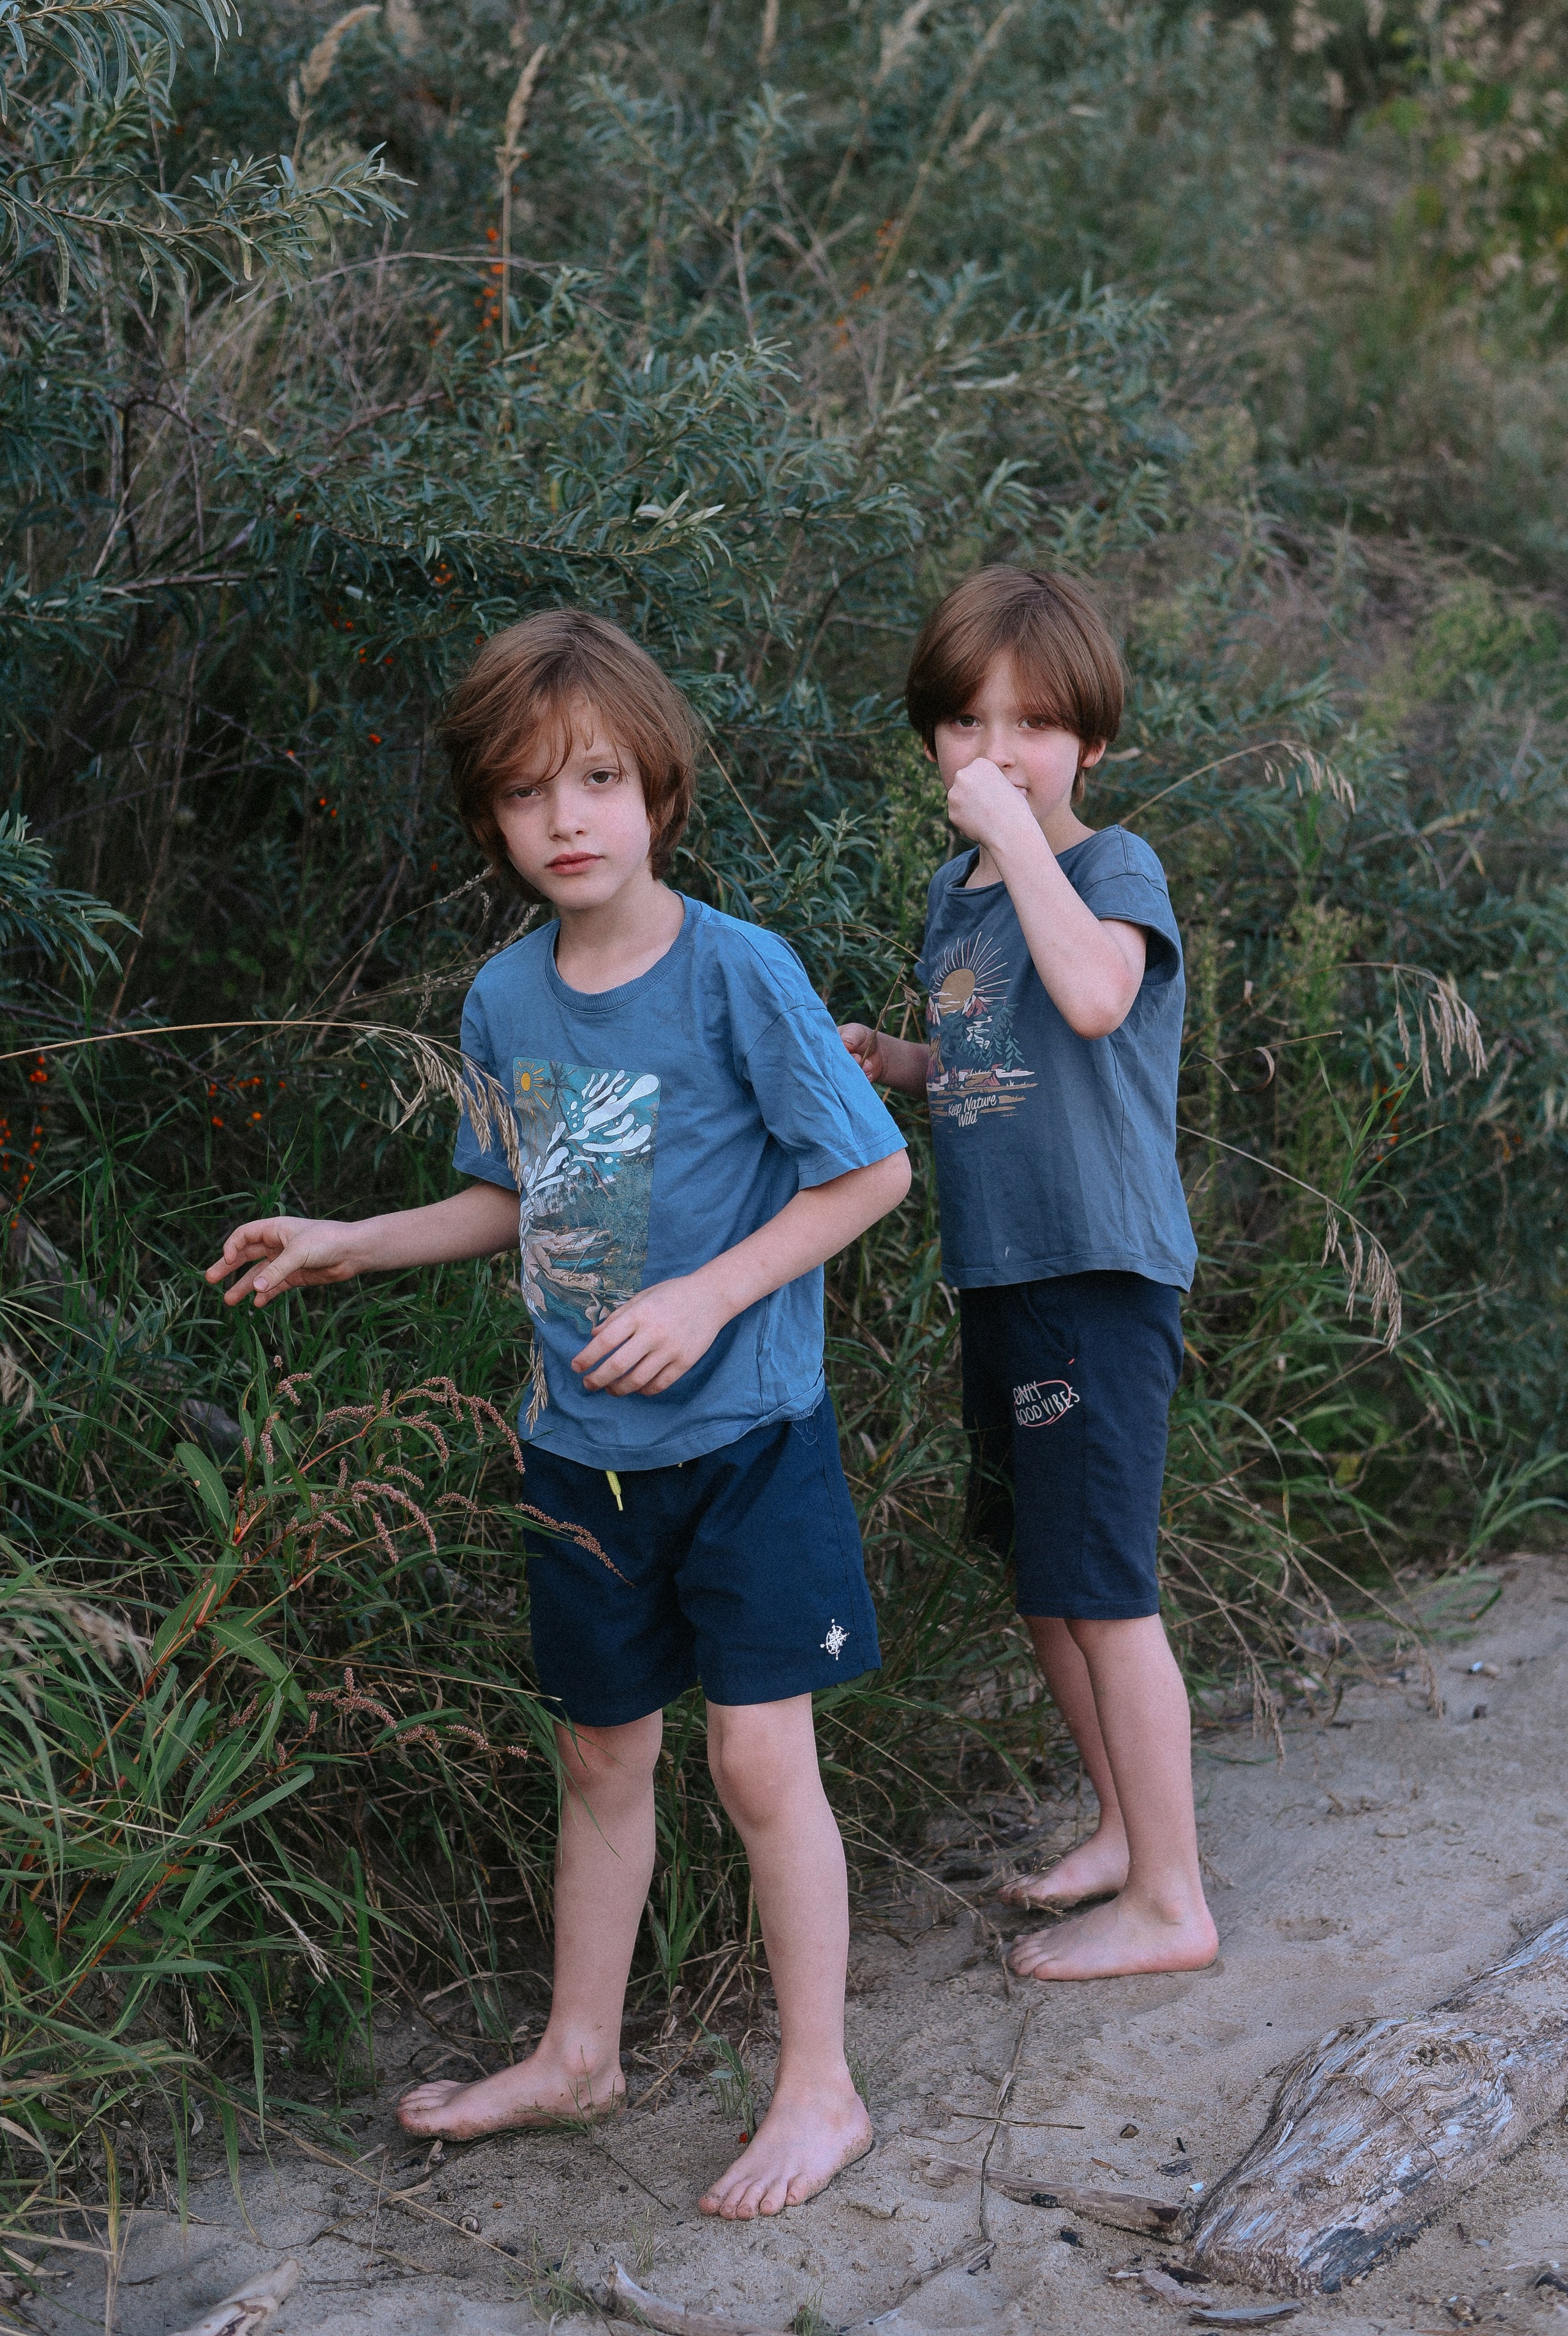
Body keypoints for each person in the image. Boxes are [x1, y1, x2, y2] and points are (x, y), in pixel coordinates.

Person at [206, 609, 910, 2217]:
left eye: (600, 777)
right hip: (580, 1457)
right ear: (492, 820)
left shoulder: (741, 972)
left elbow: (870, 1166)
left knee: (755, 1757)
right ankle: (577, 2048)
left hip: (748, 1444)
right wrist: (349, 1240)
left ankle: (822, 2084)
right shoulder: (507, 999)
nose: (570, 817)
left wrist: (712, 1291)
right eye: (531, 793)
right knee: (602, 1755)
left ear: (659, 785)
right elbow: (508, 1200)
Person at [838, 565, 1217, 1983]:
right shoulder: (956, 894)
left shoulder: (1109, 870)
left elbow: (1095, 997)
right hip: (1000, 1274)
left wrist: (1020, 833)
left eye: (1032, 725)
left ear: (1092, 743)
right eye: (965, 726)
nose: (994, 752)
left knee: (1106, 1588)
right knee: (1045, 1580)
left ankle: (1173, 1898)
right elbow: (1002, 1059)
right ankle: (1125, 1830)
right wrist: (901, 1061)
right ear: (928, 736)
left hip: (1094, 1270)